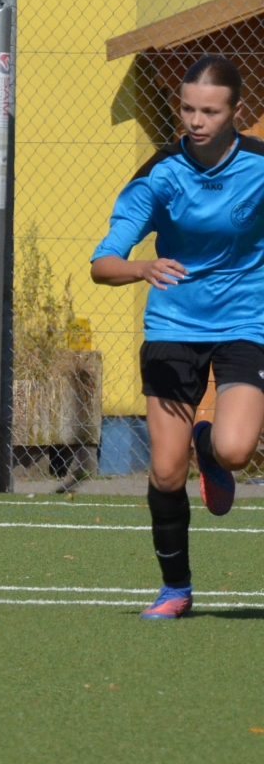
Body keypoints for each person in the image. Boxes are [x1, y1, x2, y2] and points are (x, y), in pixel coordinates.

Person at [91, 54, 264, 619]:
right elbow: (103, 263)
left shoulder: (259, 166)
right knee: (166, 471)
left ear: (237, 111)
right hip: (173, 325)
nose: (195, 120)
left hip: (245, 323)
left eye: (209, 111)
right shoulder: (160, 174)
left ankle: (208, 447)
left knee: (235, 450)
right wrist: (141, 267)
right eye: (187, 109)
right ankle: (176, 589)